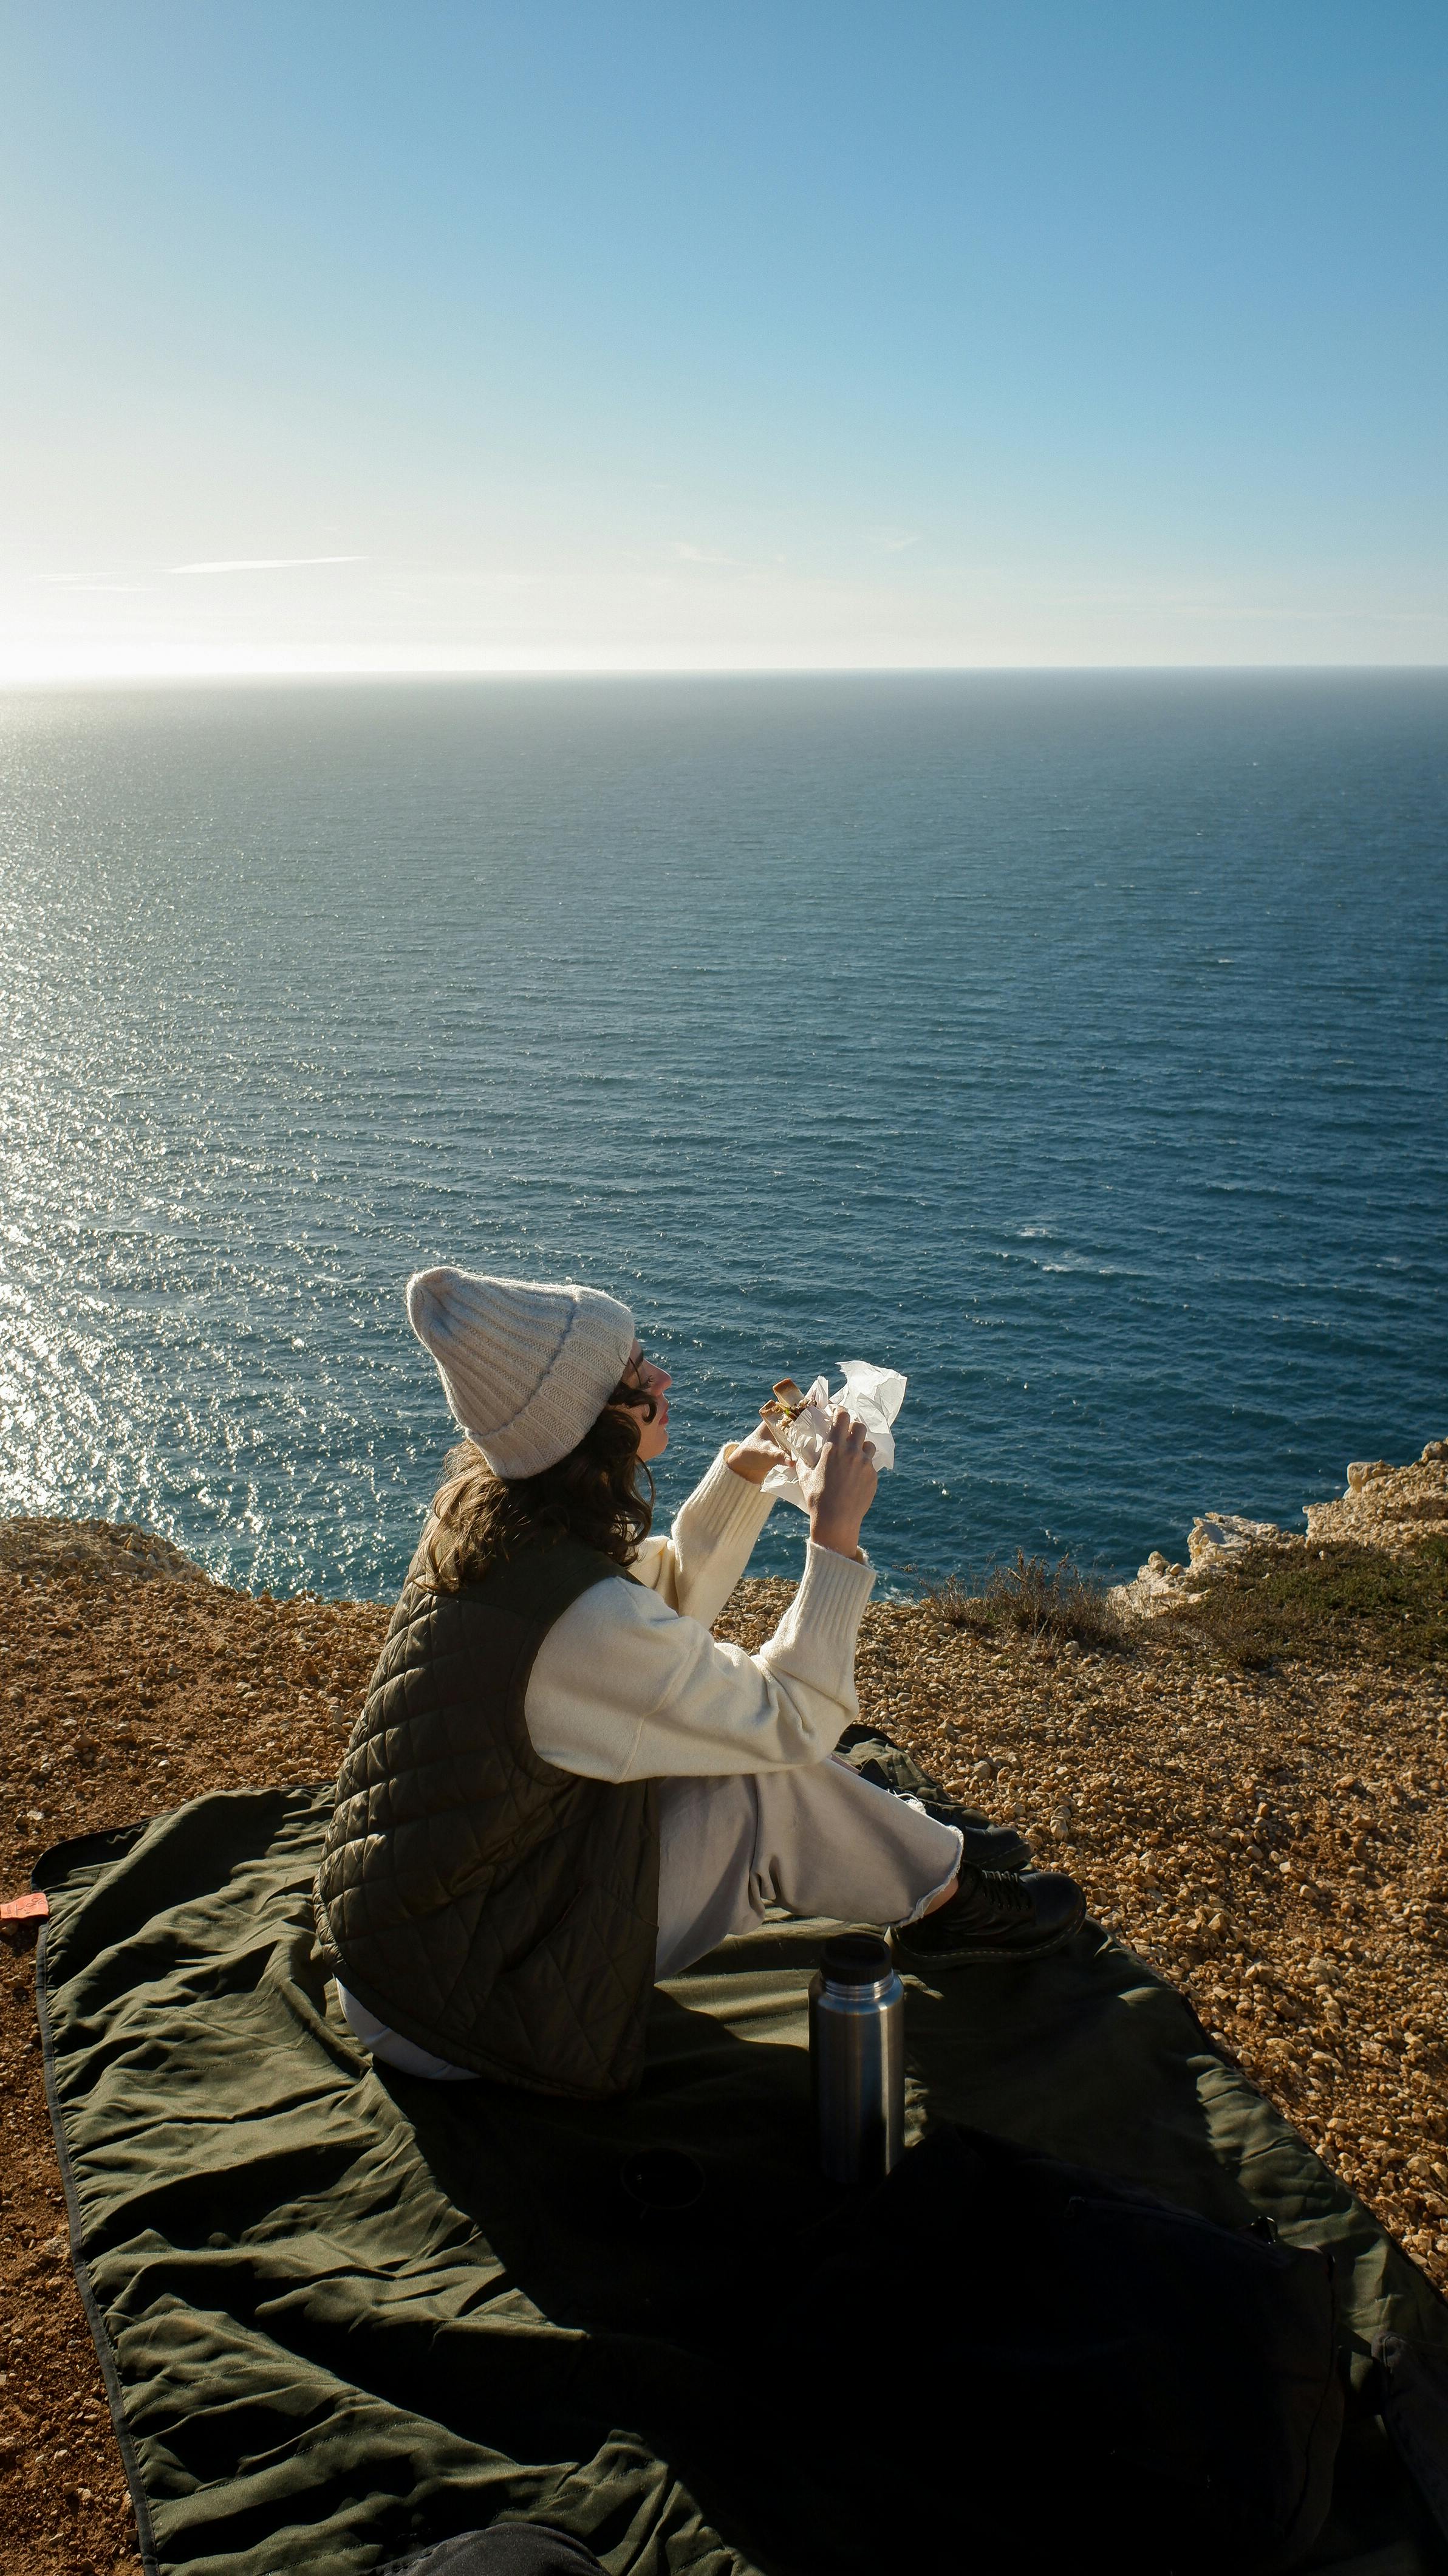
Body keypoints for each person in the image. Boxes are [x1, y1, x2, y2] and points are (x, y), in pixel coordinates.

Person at [313, 1268, 1084, 2098]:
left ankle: (928, 1862)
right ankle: (948, 1902)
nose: (664, 1379)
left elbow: (644, 1617)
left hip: (420, 1948)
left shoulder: (488, 1517)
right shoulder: (578, 1623)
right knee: (760, 1782)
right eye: (640, 1372)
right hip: (462, 2005)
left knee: (715, 1737)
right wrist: (835, 1540)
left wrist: (747, 1473)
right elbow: (792, 1722)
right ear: (591, 1422)